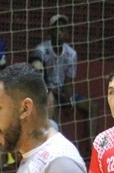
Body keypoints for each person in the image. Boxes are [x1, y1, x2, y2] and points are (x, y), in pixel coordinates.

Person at [32, 14, 95, 146]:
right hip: (46, 90)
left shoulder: (71, 54)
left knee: (92, 106)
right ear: (50, 32)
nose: (60, 33)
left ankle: (92, 146)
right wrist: (56, 93)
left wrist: (69, 97)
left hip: (61, 90)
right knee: (52, 101)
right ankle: (55, 143)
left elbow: (68, 81)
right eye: (57, 29)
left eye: (63, 29)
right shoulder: (41, 50)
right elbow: (39, 79)